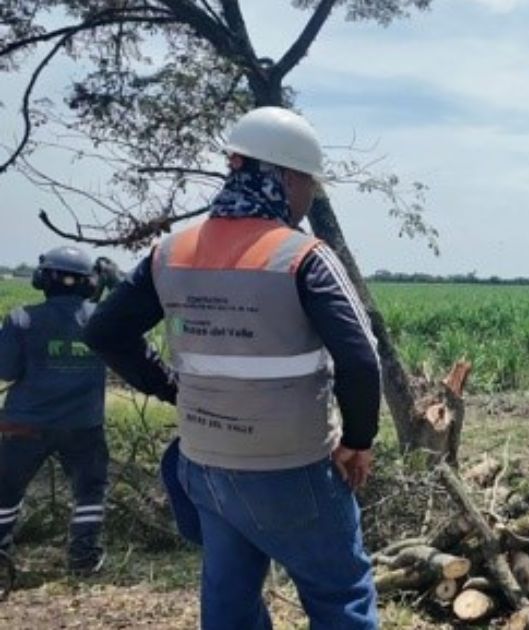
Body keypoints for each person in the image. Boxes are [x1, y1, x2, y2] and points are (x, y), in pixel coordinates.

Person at [84, 106, 382, 629]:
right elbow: (361, 358)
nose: (309, 196)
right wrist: (358, 440)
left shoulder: (169, 253)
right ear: (285, 177)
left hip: (205, 465)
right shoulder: (303, 256)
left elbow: (105, 332)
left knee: (230, 602)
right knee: (341, 595)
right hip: (293, 469)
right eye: (308, 183)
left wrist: (169, 387)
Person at [0, 246, 109, 574]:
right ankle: (82, 559)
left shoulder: (22, 319)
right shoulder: (101, 320)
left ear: (41, 280)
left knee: (5, 490)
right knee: (89, 492)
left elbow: (6, 370)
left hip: (23, 423)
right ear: (88, 284)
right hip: (83, 425)